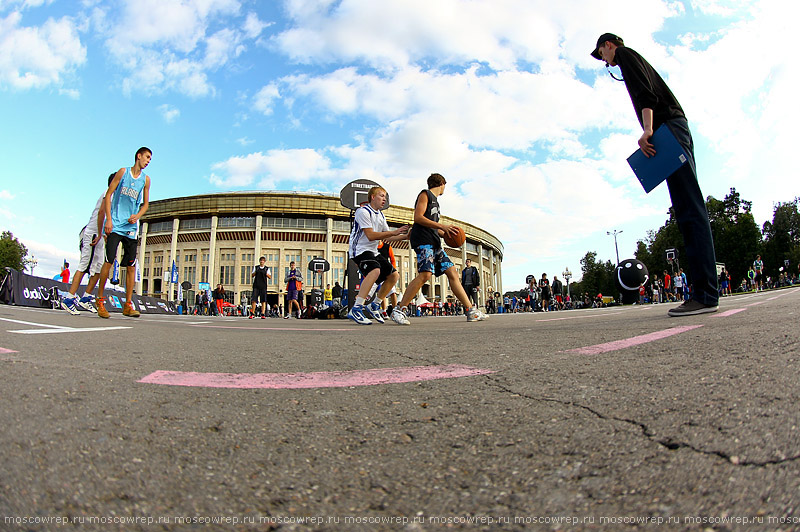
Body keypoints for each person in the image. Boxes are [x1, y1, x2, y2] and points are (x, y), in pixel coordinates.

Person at [592, 34, 718, 316]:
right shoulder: (630, 59)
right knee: (687, 209)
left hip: (667, 130)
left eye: (602, 54)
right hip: (673, 129)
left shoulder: (626, 56)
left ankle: (705, 294)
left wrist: (648, 129)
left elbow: (645, 93)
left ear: (609, 45)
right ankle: (705, 291)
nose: (605, 61)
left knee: (689, 209)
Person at [390, 173, 488, 325]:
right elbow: (418, 217)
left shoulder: (436, 203)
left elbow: (434, 228)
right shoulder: (425, 194)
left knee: (452, 272)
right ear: (442, 183)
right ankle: (399, 309)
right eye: (444, 185)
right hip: (423, 241)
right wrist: (442, 225)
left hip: (434, 242)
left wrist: (448, 233)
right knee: (425, 275)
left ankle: (470, 311)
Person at [95, 147, 152, 318]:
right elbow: (108, 195)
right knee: (109, 260)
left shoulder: (146, 180)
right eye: (147, 157)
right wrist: (109, 220)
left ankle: (127, 305)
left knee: (131, 266)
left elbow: (146, 204)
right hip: (116, 224)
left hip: (131, 228)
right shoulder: (123, 172)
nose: (148, 161)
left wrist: (138, 216)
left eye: (150, 159)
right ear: (138, 156)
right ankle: (100, 301)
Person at [346, 186, 409, 325]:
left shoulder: (380, 215)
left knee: (394, 275)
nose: (384, 199)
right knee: (375, 270)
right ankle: (356, 308)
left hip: (373, 251)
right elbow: (370, 235)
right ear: (372, 197)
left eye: (385, 196)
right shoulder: (362, 212)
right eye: (381, 195)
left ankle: (374, 305)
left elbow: (387, 238)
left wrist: (406, 236)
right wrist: (394, 232)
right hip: (359, 250)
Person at [60, 173, 115, 315]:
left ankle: (86, 298)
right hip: (93, 233)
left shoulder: (115, 198)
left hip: (101, 235)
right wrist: (98, 233)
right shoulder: (107, 194)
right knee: (84, 266)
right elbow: (101, 213)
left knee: (98, 269)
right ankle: (69, 298)